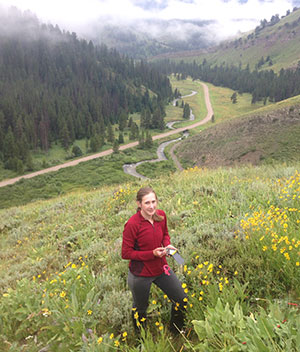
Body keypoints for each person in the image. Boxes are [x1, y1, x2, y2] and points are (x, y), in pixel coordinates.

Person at [121, 187, 187, 334]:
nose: (151, 206)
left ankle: (176, 330)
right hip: (140, 275)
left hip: (161, 268)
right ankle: (141, 341)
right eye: (147, 203)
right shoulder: (132, 224)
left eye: (153, 202)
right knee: (140, 310)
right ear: (139, 204)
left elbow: (165, 234)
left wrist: (167, 244)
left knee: (181, 299)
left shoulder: (161, 215)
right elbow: (125, 253)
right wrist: (152, 254)